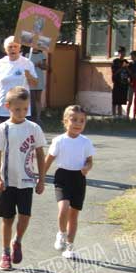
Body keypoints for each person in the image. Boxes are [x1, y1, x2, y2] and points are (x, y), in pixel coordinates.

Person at [0, 86, 46, 270]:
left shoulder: (34, 128)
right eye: (17, 109)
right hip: (7, 181)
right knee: (7, 218)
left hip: (27, 180)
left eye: (25, 109)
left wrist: (42, 179)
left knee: (25, 215)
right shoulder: (3, 129)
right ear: (8, 107)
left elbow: (40, 154)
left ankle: (17, 240)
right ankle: (5, 253)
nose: (22, 113)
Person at [45, 105, 95, 259]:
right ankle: (61, 233)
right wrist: (40, 176)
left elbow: (89, 161)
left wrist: (87, 168)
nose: (78, 124)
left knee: (73, 215)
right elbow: (49, 159)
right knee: (64, 208)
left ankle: (70, 247)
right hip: (63, 177)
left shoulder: (85, 142)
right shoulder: (59, 140)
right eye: (74, 120)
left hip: (79, 179)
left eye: (82, 121)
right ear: (65, 121)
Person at [0, 36, 38, 124]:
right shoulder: (1, 63)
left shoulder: (27, 63)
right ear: (5, 49)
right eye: (10, 47)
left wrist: (29, 76)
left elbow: (35, 84)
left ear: (19, 48)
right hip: (4, 108)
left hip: (22, 109)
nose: (13, 49)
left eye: (15, 46)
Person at [28, 45, 48, 123]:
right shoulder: (27, 55)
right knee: (29, 98)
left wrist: (40, 65)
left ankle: (38, 117)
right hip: (30, 78)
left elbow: (46, 67)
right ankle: (29, 116)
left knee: (38, 98)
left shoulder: (42, 55)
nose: (35, 47)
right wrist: (33, 65)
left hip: (39, 78)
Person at [111, 47, 129, 118]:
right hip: (117, 83)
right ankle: (113, 115)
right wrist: (122, 67)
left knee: (121, 101)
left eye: (124, 53)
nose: (123, 54)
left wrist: (126, 67)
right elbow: (114, 72)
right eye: (121, 53)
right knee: (115, 100)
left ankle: (120, 116)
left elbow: (129, 72)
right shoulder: (115, 61)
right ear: (119, 53)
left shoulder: (126, 61)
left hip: (124, 83)